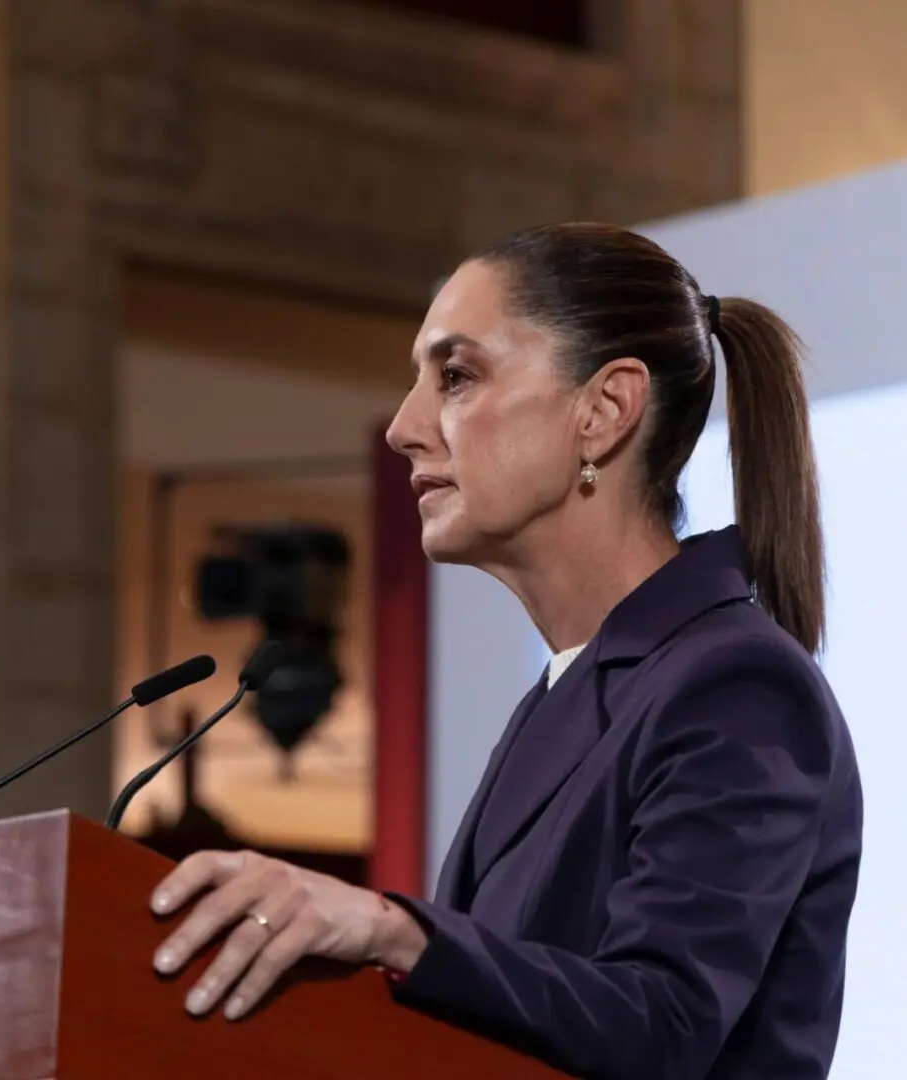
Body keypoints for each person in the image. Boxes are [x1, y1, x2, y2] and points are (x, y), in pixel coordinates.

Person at [147, 222, 863, 1080]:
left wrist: (394, 930)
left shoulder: (737, 685)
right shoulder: (568, 693)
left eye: (456, 375)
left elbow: (663, 1024)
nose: (405, 428)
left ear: (604, 410)